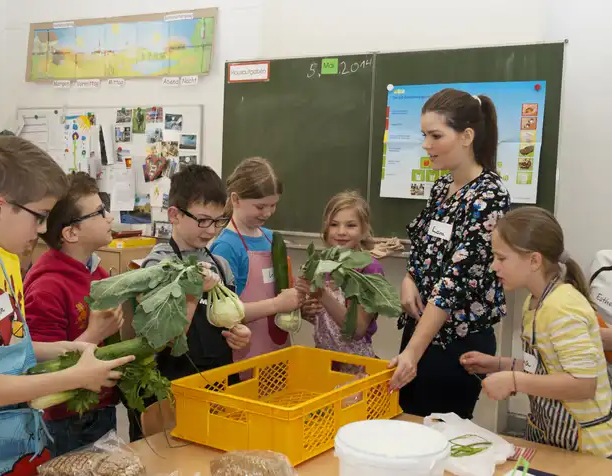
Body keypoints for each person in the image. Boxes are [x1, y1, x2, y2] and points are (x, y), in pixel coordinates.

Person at [0, 136, 134, 475]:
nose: (45, 229)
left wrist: (65, 348)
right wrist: (72, 376)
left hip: (18, 445)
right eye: (40, 216)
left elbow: (7, 347)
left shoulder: (6, 263)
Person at [388, 89, 511, 420]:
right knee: (407, 424)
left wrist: (413, 353)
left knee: (441, 437)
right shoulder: (442, 188)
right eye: (424, 135)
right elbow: (425, 246)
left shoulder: (489, 196)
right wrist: (409, 279)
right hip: (420, 329)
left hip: (456, 343)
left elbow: (456, 281)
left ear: (467, 136)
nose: (426, 144)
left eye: (435, 135)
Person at [462, 206, 612, 457]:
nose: (493, 267)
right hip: (548, 436)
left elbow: (583, 385)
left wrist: (513, 380)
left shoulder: (563, 306)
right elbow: (546, 367)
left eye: (501, 258)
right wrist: (498, 364)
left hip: (585, 449)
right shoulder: (534, 302)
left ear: (534, 260)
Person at [124, 164, 252, 442]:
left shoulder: (222, 265)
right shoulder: (157, 266)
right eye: (203, 220)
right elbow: (163, 339)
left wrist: (239, 333)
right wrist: (192, 292)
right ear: (174, 215)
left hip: (216, 385)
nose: (211, 231)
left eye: (219, 221)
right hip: (171, 390)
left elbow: (229, 318)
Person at [24, 172, 124, 456]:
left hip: (101, 404)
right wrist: (95, 334)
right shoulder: (47, 287)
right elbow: (41, 371)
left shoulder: (97, 271)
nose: (110, 217)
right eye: (100, 212)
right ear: (71, 233)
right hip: (68, 418)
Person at [210, 157, 302, 363]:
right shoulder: (226, 247)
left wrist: (299, 299)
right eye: (260, 207)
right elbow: (222, 315)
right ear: (236, 200)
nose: (268, 212)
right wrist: (278, 304)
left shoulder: (271, 239)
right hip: (244, 356)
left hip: (277, 350)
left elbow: (284, 290)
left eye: (273, 205)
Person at [297, 191, 383, 374]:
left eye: (351, 225)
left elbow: (357, 329)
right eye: (334, 225)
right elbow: (327, 321)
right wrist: (306, 311)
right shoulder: (322, 266)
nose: (341, 232)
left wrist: (323, 294)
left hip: (355, 367)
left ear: (364, 229)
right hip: (324, 364)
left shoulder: (369, 270)